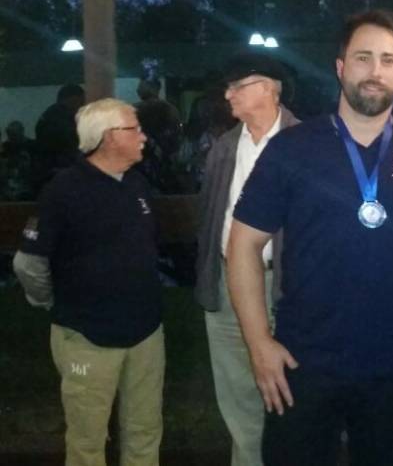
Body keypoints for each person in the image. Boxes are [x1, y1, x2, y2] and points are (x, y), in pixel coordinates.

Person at [226, 9, 393, 466]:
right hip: (303, 362)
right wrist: (259, 343)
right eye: (363, 57)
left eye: (388, 60)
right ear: (340, 66)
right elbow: (242, 245)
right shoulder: (292, 148)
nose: (375, 71)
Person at [13, 98, 164, 466]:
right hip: (87, 338)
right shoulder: (64, 190)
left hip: (146, 334)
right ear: (109, 137)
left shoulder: (137, 183)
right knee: (88, 439)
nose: (143, 136)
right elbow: (28, 263)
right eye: (134, 129)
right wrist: (52, 302)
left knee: (145, 430)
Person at [194, 53, 300, 466]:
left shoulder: (306, 143)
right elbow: (209, 218)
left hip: (287, 288)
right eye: (227, 87)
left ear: (270, 89)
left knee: (291, 395)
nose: (228, 95)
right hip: (227, 286)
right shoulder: (223, 148)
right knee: (238, 397)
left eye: (238, 86)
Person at [35, 83, 85, 185]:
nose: (81, 107)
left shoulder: (50, 116)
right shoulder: (63, 119)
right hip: (60, 171)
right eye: (81, 102)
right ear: (73, 99)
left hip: (50, 171)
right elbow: (69, 145)